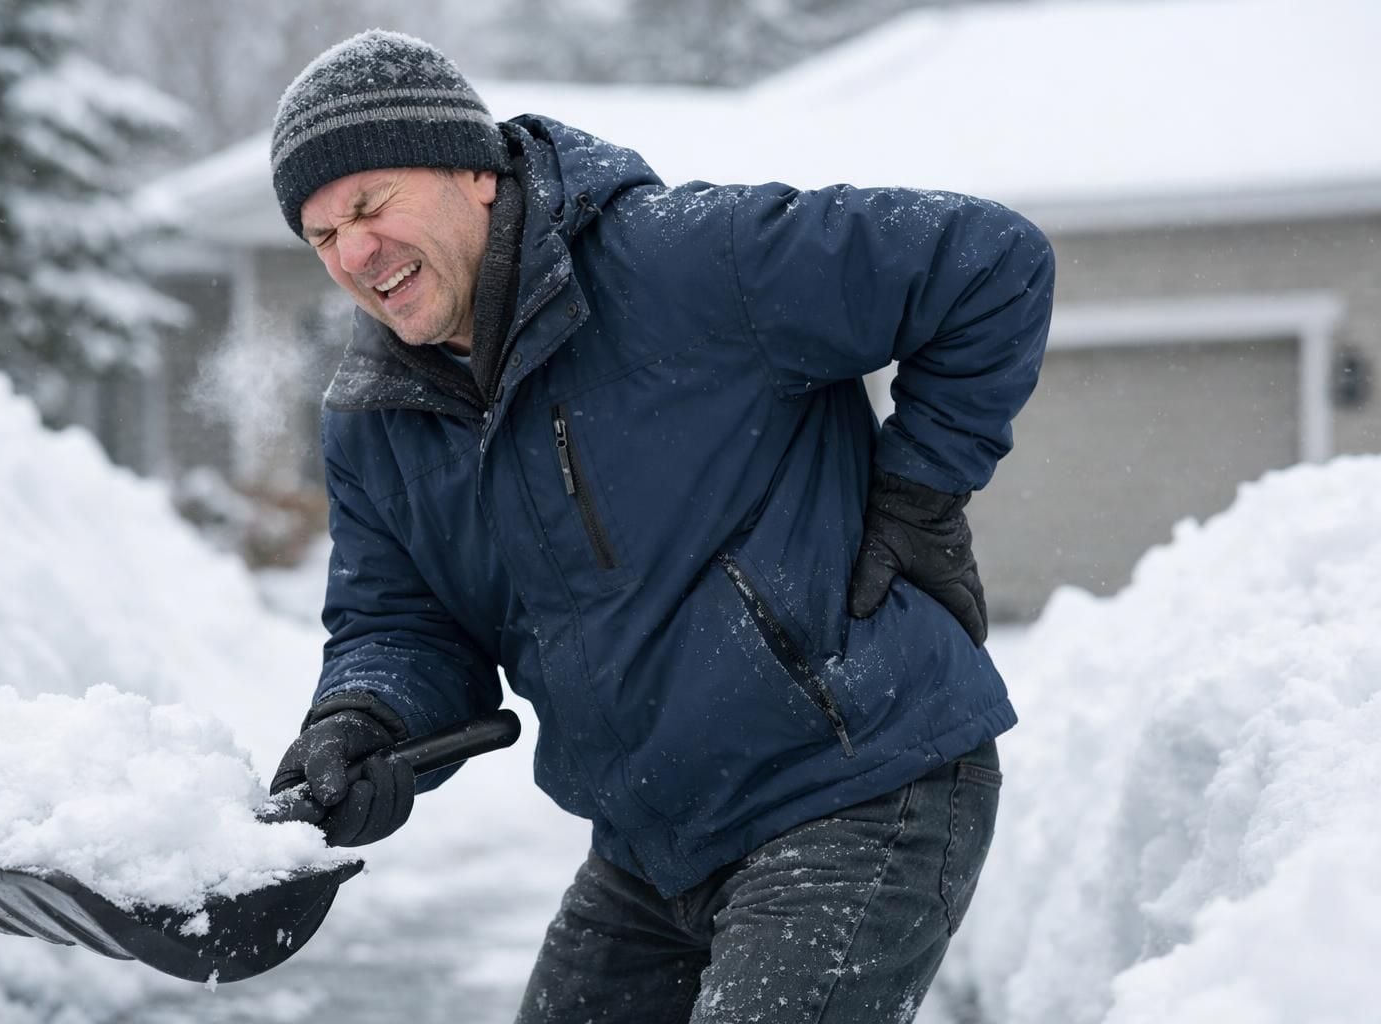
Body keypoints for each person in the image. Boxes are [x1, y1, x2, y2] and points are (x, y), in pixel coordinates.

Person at [266, 29, 1053, 1024]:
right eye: (322, 236)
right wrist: (366, 719)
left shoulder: (684, 262)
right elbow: (401, 622)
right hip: (654, 848)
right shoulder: (374, 421)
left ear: (474, 169)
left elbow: (990, 263)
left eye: (370, 205)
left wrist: (920, 491)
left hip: (856, 786)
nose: (354, 253)